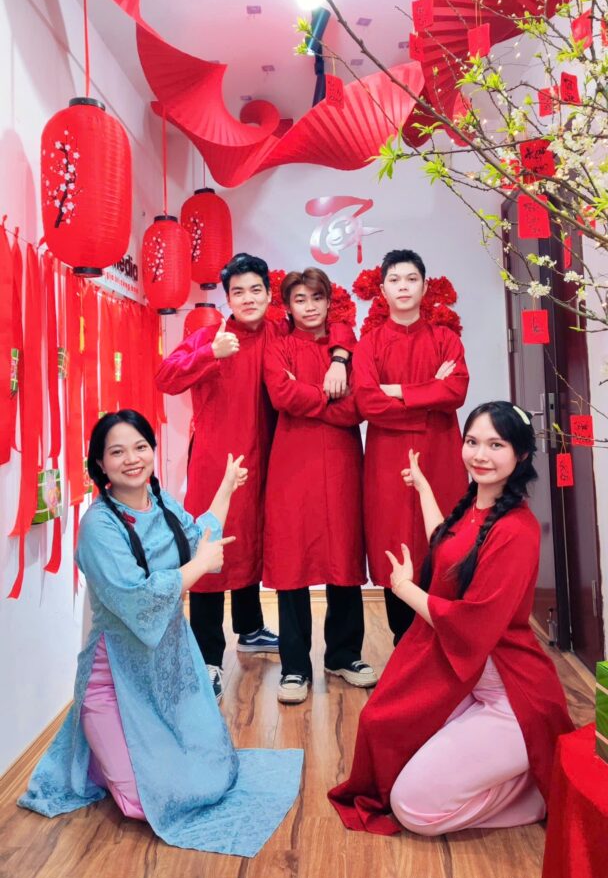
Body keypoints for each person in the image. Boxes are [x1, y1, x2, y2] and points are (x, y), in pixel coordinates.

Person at [18, 410, 303, 857]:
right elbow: (138, 598)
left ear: (152, 450)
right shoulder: (98, 527)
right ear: (100, 463)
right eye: (117, 452)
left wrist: (227, 488)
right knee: (143, 802)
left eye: (140, 447)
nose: (132, 459)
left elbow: (198, 536)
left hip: (169, 666)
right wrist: (199, 566)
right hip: (114, 679)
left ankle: (126, 752)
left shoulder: (160, 501)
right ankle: (99, 753)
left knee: (212, 776)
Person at [328, 401, 574, 836]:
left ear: (520, 454)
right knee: (390, 727)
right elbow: (449, 546)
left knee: (411, 809)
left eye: (495, 445)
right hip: (471, 683)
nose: (480, 455)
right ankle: (523, 777)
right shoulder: (476, 511)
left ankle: (532, 796)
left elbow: (471, 624)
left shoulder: (517, 530)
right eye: (472, 442)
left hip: (513, 699)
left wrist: (405, 589)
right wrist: (423, 488)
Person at [156, 252, 352, 699]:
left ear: (269, 294)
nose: (248, 298)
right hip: (217, 461)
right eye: (238, 292)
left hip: (273, 459)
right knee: (213, 547)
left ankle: (250, 627)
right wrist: (208, 353)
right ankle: (208, 656)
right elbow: (165, 377)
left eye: (256, 290)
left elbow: (337, 325)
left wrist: (340, 357)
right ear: (227, 298)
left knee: (256, 540)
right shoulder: (211, 336)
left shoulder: (281, 333)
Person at [263, 268, 377, 704]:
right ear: (287, 306)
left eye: (316, 298)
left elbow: (357, 408)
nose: (309, 307)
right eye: (300, 299)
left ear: (329, 302)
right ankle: (295, 666)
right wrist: (327, 395)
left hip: (342, 463)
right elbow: (281, 396)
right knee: (292, 561)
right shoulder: (279, 347)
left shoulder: (347, 348)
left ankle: (344, 654)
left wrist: (309, 394)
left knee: (343, 555)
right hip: (292, 463)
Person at [352, 248, 469, 643]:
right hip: (387, 458)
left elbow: (456, 391)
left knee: (443, 539)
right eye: (395, 280)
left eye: (411, 279)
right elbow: (367, 403)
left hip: (440, 455)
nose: (403, 287)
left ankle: (446, 641)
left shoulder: (445, 339)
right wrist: (429, 395)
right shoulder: (369, 344)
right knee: (394, 540)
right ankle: (403, 644)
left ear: (424, 286)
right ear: (382, 290)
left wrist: (398, 390)